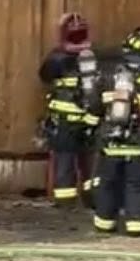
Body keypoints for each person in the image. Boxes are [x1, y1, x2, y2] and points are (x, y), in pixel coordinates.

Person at [85, 26, 140, 237]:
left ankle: (105, 224)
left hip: (110, 144)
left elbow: (95, 108)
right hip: (137, 145)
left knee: (107, 184)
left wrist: (90, 132)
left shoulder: (110, 76)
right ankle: (136, 226)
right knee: (135, 185)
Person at [37, 12, 99, 207]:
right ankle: (93, 200)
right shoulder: (94, 57)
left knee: (64, 160)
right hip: (89, 119)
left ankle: (65, 202)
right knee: (89, 161)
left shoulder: (56, 59)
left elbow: (45, 76)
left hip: (64, 121)